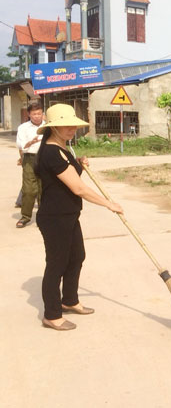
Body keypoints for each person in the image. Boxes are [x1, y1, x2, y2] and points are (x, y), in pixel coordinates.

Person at [34, 104, 123, 331]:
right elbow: (78, 189)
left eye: (73, 123)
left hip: (69, 215)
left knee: (76, 257)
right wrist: (108, 204)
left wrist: (79, 163)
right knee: (56, 264)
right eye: (65, 125)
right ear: (53, 128)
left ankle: (69, 300)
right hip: (55, 217)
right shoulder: (52, 152)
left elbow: (69, 175)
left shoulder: (63, 149)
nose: (72, 128)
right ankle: (52, 315)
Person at [15, 101, 45, 228]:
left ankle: (44, 216)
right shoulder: (23, 128)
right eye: (34, 114)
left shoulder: (48, 126)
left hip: (45, 158)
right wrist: (29, 143)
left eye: (39, 113)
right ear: (29, 114)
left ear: (43, 114)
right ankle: (25, 216)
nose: (37, 116)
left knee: (44, 188)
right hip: (29, 159)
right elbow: (20, 145)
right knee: (29, 190)